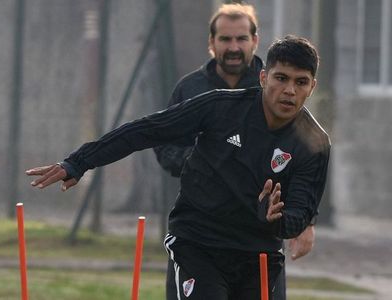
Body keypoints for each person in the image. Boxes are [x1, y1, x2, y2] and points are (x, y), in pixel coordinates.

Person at [26, 35, 331, 299]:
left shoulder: (314, 144)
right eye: (281, 78)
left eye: (300, 82)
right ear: (264, 77)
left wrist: (275, 221)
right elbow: (147, 130)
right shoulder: (219, 107)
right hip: (199, 245)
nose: (289, 90)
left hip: (260, 256)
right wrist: (78, 162)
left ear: (312, 86)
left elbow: (300, 215)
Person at [154, 3, 316, 299]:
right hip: (202, 234)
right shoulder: (190, 89)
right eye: (225, 39)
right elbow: (164, 144)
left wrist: (305, 220)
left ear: (255, 41)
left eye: (241, 39)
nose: (233, 47)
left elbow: (305, 155)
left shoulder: (277, 87)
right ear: (211, 43)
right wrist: (203, 162)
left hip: (258, 239)